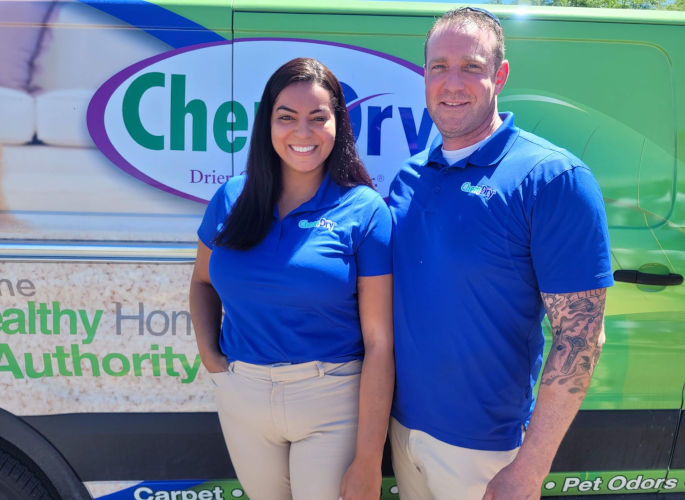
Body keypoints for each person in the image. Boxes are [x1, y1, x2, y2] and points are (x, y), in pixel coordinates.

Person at [388, 7, 613, 500]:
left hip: (487, 453)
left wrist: (529, 471)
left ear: (500, 76)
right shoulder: (408, 179)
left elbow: (581, 339)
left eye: (471, 66)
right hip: (402, 433)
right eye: (438, 67)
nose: (452, 83)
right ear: (423, 75)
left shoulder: (553, 179)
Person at [189, 57, 394, 500]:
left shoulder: (364, 210)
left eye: (318, 118)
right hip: (242, 395)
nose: (302, 132)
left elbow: (380, 342)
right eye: (287, 117)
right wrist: (213, 359)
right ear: (267, 124)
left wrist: (367, 460)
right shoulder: (231, 198)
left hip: (331, 400)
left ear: (338, 125)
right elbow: (203, 283)